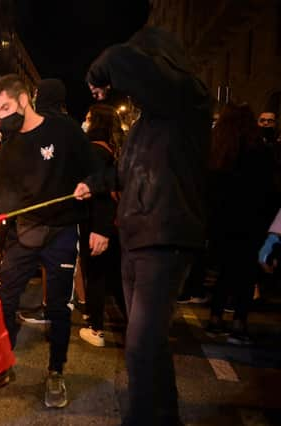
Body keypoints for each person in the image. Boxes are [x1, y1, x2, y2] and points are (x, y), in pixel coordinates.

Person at [74, 27, 212, 426]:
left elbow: (127, 63)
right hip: (137, 239)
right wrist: (94, 183)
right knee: (149, 346)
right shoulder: (147, 122)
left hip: (165, 238)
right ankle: (165, 417)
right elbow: (126, 171)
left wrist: (104, 68)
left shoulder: (189, 99)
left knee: (140, 345)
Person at [0, 74, 100, 409]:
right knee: (5, 300)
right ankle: (1, 365)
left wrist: (90, 185)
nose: (0, 117)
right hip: (24, 234)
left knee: (59, 307)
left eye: (5, 108)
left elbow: (99, 171)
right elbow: (2, 199)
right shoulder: (11, 143)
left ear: (24, 100)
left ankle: (56, 371)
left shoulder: (64, 130)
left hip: (60, 233)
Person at [204, 103, 276, 345]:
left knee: (223, 271)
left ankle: (215, 318)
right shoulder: (261, 152)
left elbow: (209, 190)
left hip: (222, 221)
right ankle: (239, 323)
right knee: (246, 273)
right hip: (251, 220)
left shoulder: (217, 152)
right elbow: (270, 191)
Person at [78, 104, 126, 347]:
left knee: (95, 273)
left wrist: (100, 228)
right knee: (115, 275)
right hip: (114, 221)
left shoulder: (95, 151)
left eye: (88, 118)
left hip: (97, 221)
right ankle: (132, 324)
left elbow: (100, 192)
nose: (85, 122)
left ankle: (95, 327)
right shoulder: (115, 149)